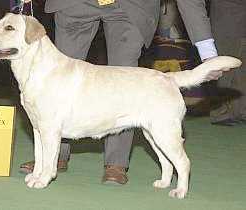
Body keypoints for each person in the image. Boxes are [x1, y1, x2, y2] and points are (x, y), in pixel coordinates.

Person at [20, 0, 218, 185]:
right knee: (57, 80)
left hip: (130, 6)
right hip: (75, 4)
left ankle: (116, 162)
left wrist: (207, 52)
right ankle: (51, 159)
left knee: (127, 82)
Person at [209, 0, 246, 125]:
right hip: (227, 12)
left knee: (242, 66)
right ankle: (220, 112)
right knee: (225, 62)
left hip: (240, 12)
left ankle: (241, 110)